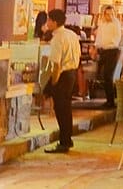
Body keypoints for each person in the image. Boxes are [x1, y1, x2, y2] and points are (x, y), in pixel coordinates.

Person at [42, 9, 81, 154]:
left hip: (63, 75)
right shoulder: (71, 35)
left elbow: (56, 65)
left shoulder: (58, 38)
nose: (47, 23)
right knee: (66, 109)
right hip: (72, 73)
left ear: (54, 22)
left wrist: (53, 82)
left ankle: (64, 141)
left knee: (61, 109)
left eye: (48, 20)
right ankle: (66, 139)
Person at [93, 5, 123, 109]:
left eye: (111, 14)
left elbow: (117, 38)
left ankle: (110, 101)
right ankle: (108, 99)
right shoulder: (102, 23)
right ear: (104, 14)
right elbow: (99, 37)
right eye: (107, 14)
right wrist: (96, 48)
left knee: (108, 75)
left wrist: (108, 45)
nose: (110, 16)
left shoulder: (116, 24)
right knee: (101, 75)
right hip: (103, 51)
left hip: (112, 51)